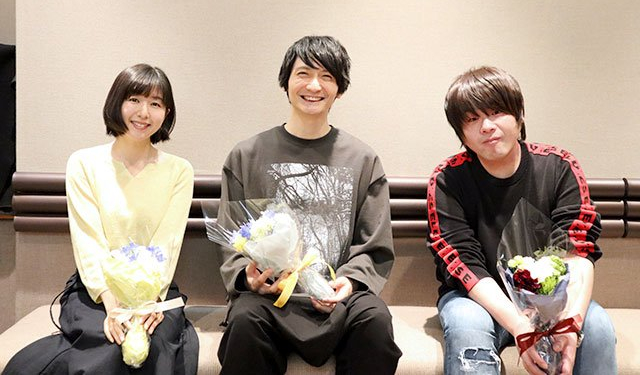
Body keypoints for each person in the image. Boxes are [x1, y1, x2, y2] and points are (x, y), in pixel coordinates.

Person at [216, 35, 402, 375]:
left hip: (339, 299)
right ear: (286, 82)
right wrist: (249, 277)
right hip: (269, 299)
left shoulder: (362, 159)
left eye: (326, 76)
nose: (314, 85)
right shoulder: (246, 155)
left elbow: (374, 243)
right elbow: (231, 238)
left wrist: (348, 282)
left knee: (375, 321)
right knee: (244, 322)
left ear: (339, 89)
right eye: (303, 73)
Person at [3, 64, 198, 375]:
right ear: (117, 103)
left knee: (150, 347)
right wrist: (112, 304)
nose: (144, 112)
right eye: (134, 100)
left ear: (167, 112)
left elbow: (168, 242)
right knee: (111, 346)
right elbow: (88, 240)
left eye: (155, 103)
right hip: (94, 289)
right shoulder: (84, 163)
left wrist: (146, 302)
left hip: (154, 292)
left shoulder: (179, 171)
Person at [426, 66, 617, 375]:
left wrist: (569, 322)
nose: (487, 126)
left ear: (519, 115)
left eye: (496, 112)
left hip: (553, 297)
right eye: (472, 119)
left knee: (597, 327)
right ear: (461, 133)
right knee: (466, 324)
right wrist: (518, 324)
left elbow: (576, 251)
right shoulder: (448, 179)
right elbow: (463, 262)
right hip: (476, 299)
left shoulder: (559, 167)